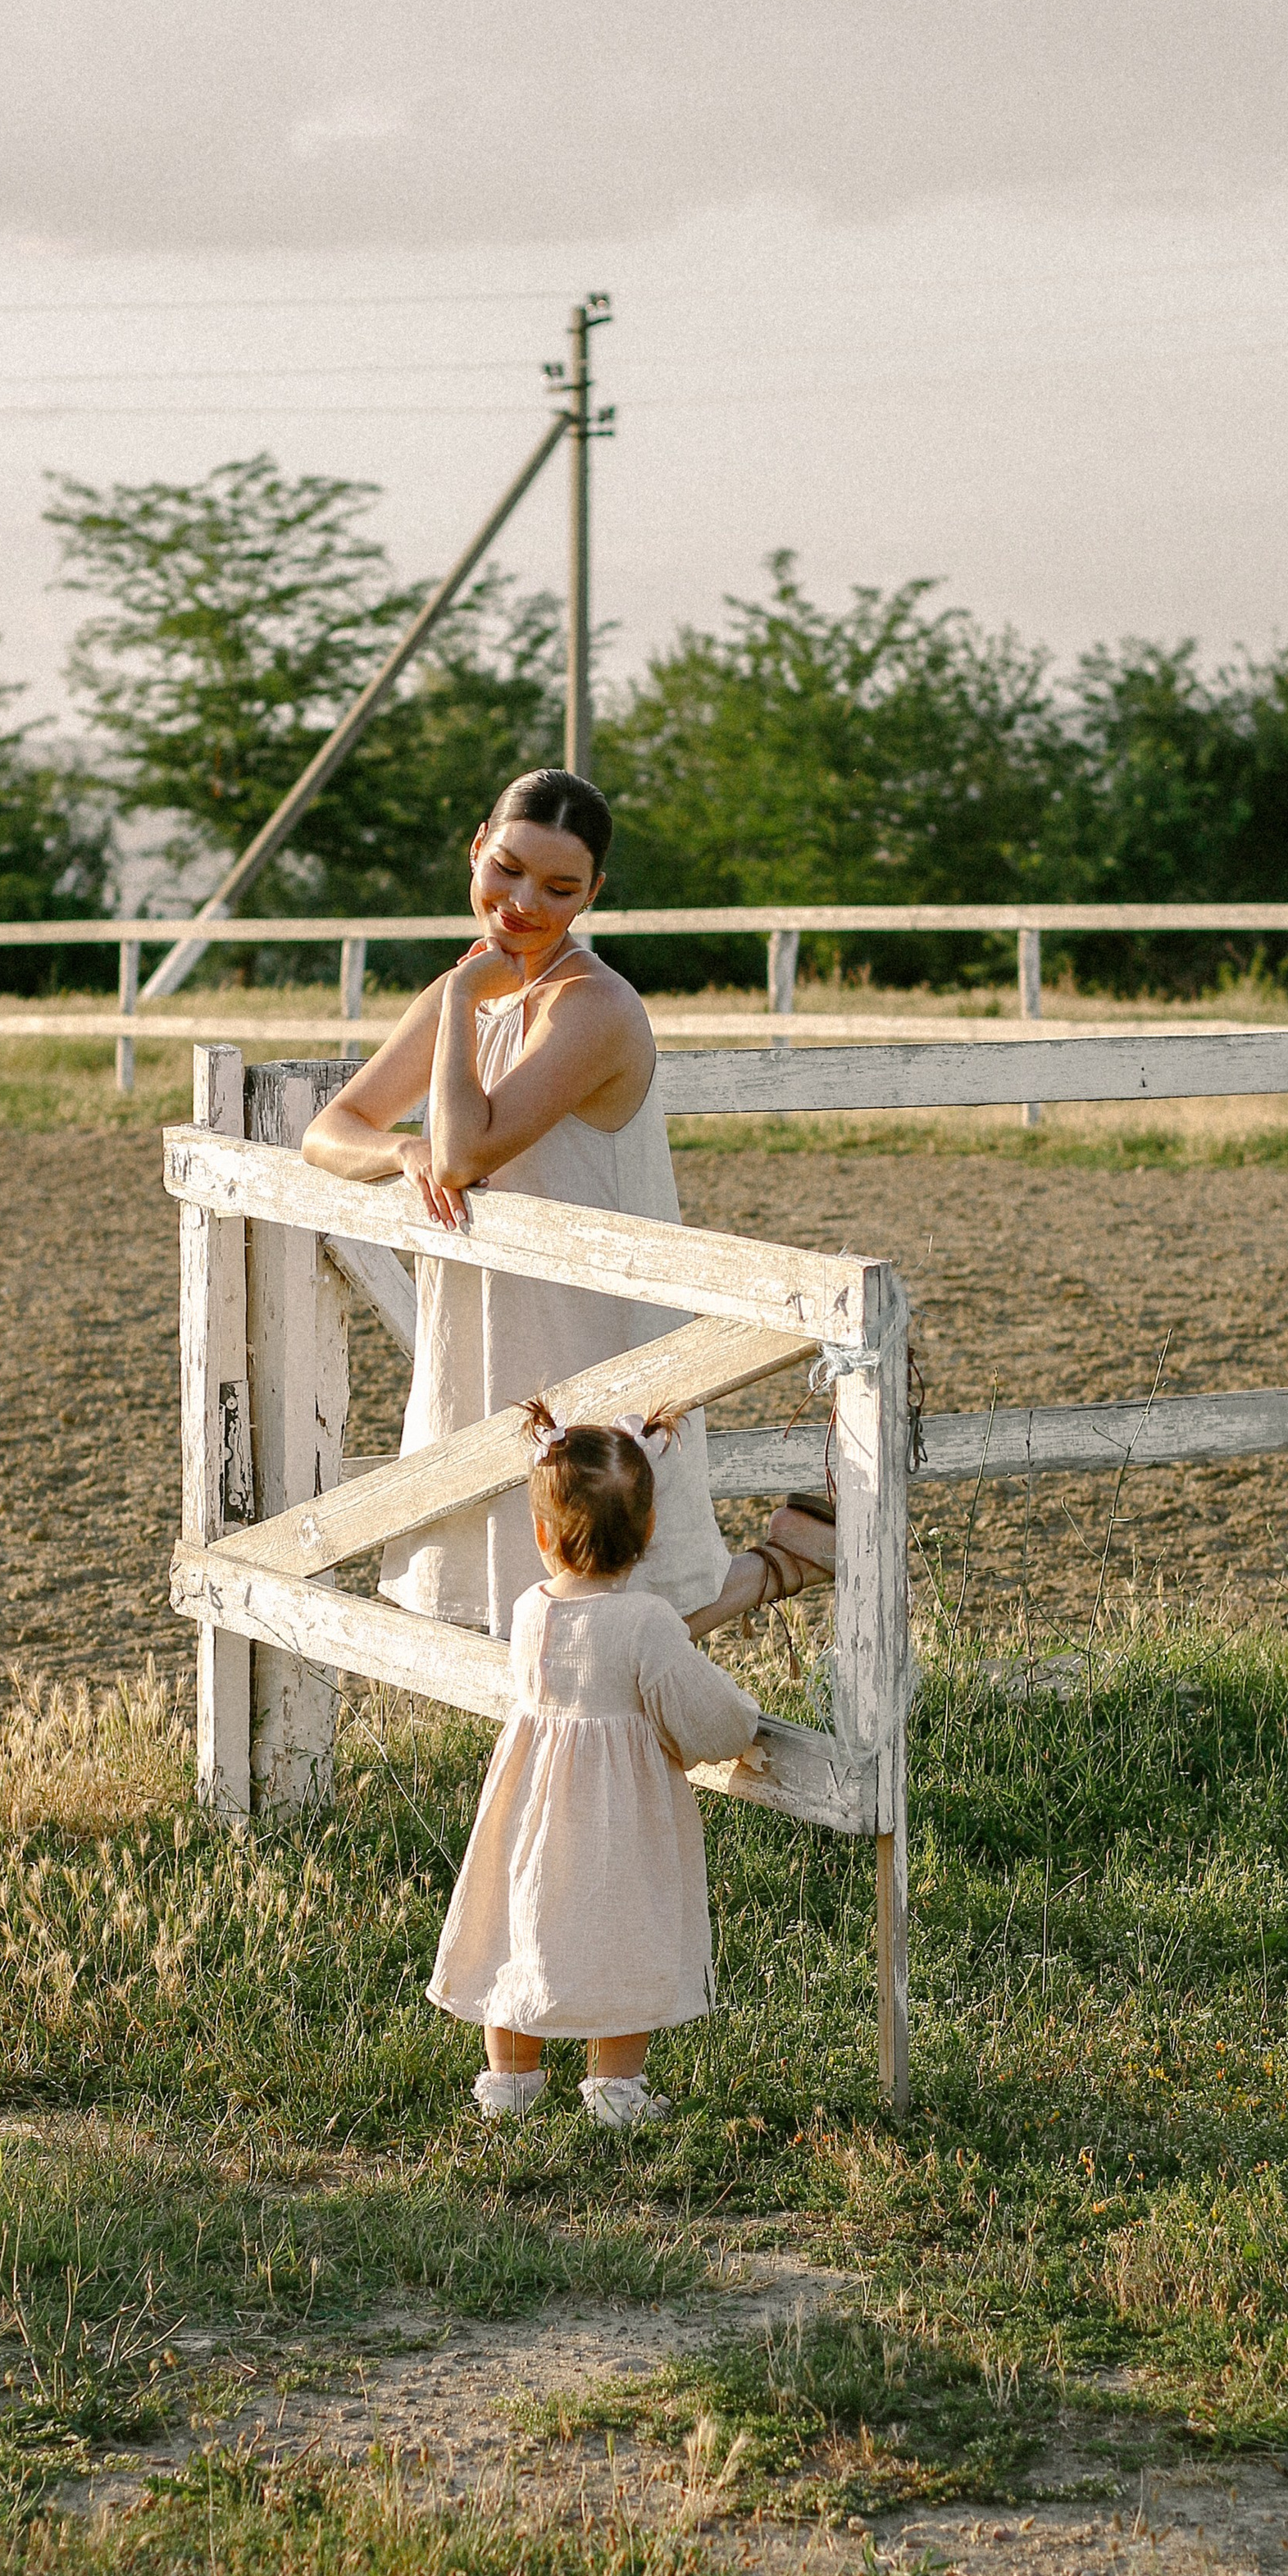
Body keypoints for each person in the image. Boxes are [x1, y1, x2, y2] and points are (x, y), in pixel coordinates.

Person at [300, 765, 834, 1638]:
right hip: (494, 1318)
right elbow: (332, 1128)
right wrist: (401, 1150)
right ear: (478, 848)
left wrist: (466, 1003)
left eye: (557, 887)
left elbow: (467, 1152)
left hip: (594, 1325)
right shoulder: (461, 988)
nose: (520, 903)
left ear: (592, 893)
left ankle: (779, 1568)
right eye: (506, 869)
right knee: (513, 1589)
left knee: (614, 1597)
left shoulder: (591, 1008)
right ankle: (791, 1561)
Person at [426, 1403, 762, 2129]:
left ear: (543, 1533)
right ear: (647, 1533)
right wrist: (743, 1727)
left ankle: (509, 2077)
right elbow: (706, 1715)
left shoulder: (530, 1610)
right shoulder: (648, 1624)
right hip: (621, 1819)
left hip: (531, 1812)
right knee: (622, 1930)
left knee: (522, 1926)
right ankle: (615, 2085)